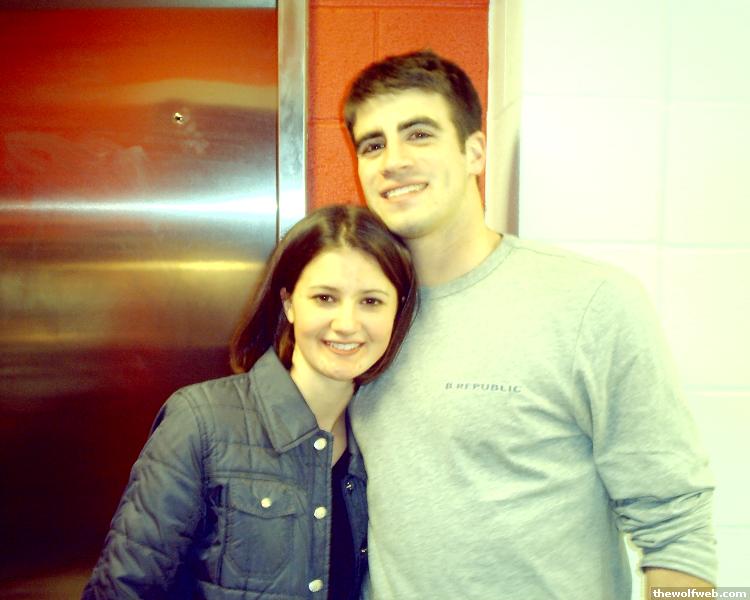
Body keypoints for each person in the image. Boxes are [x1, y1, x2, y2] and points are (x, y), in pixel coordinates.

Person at [343, 50, 717, 600]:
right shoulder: (361, 321)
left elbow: (677, 529)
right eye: (372, 145)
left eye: (419, 134)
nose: (392, 161)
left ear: (474, 152)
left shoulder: (589, 300)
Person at [82, 205, 417, 599]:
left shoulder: (380, 437)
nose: (347, 324)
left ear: (397, 311)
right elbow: (123, 588)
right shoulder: (200, 421)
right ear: (289, 303)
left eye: (371, 302)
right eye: (325, 297)